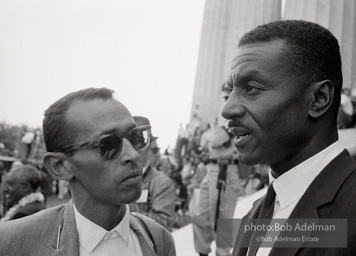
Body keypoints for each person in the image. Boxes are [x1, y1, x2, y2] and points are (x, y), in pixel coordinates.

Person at [222, 20, 356, 256]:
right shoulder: (250, 217)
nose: (227, 109)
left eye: (251, 88)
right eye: (230, 91)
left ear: (318, 99)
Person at [0, 87, 175, 256]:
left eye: (135, 137)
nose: (133, 155)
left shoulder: (159, 240)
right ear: (60, 165)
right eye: (108, 145)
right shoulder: (12, 244)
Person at [192, 82, 242, 256]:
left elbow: (213, 140)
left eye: (230, 96)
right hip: (212, 168)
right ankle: (203, 252)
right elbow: (203, 142)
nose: (228, 100)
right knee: (200, 216)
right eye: (226, 97)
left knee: (223, 221)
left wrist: (210, 135)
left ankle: (223, 254)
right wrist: (210, 136)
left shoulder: (237, 115)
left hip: (226, 171)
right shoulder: (225, 117)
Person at [129, 116, 175, 232]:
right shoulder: (113, 177)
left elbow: (163, 226)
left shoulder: (161, 182)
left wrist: (124, 209)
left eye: (139, 142)